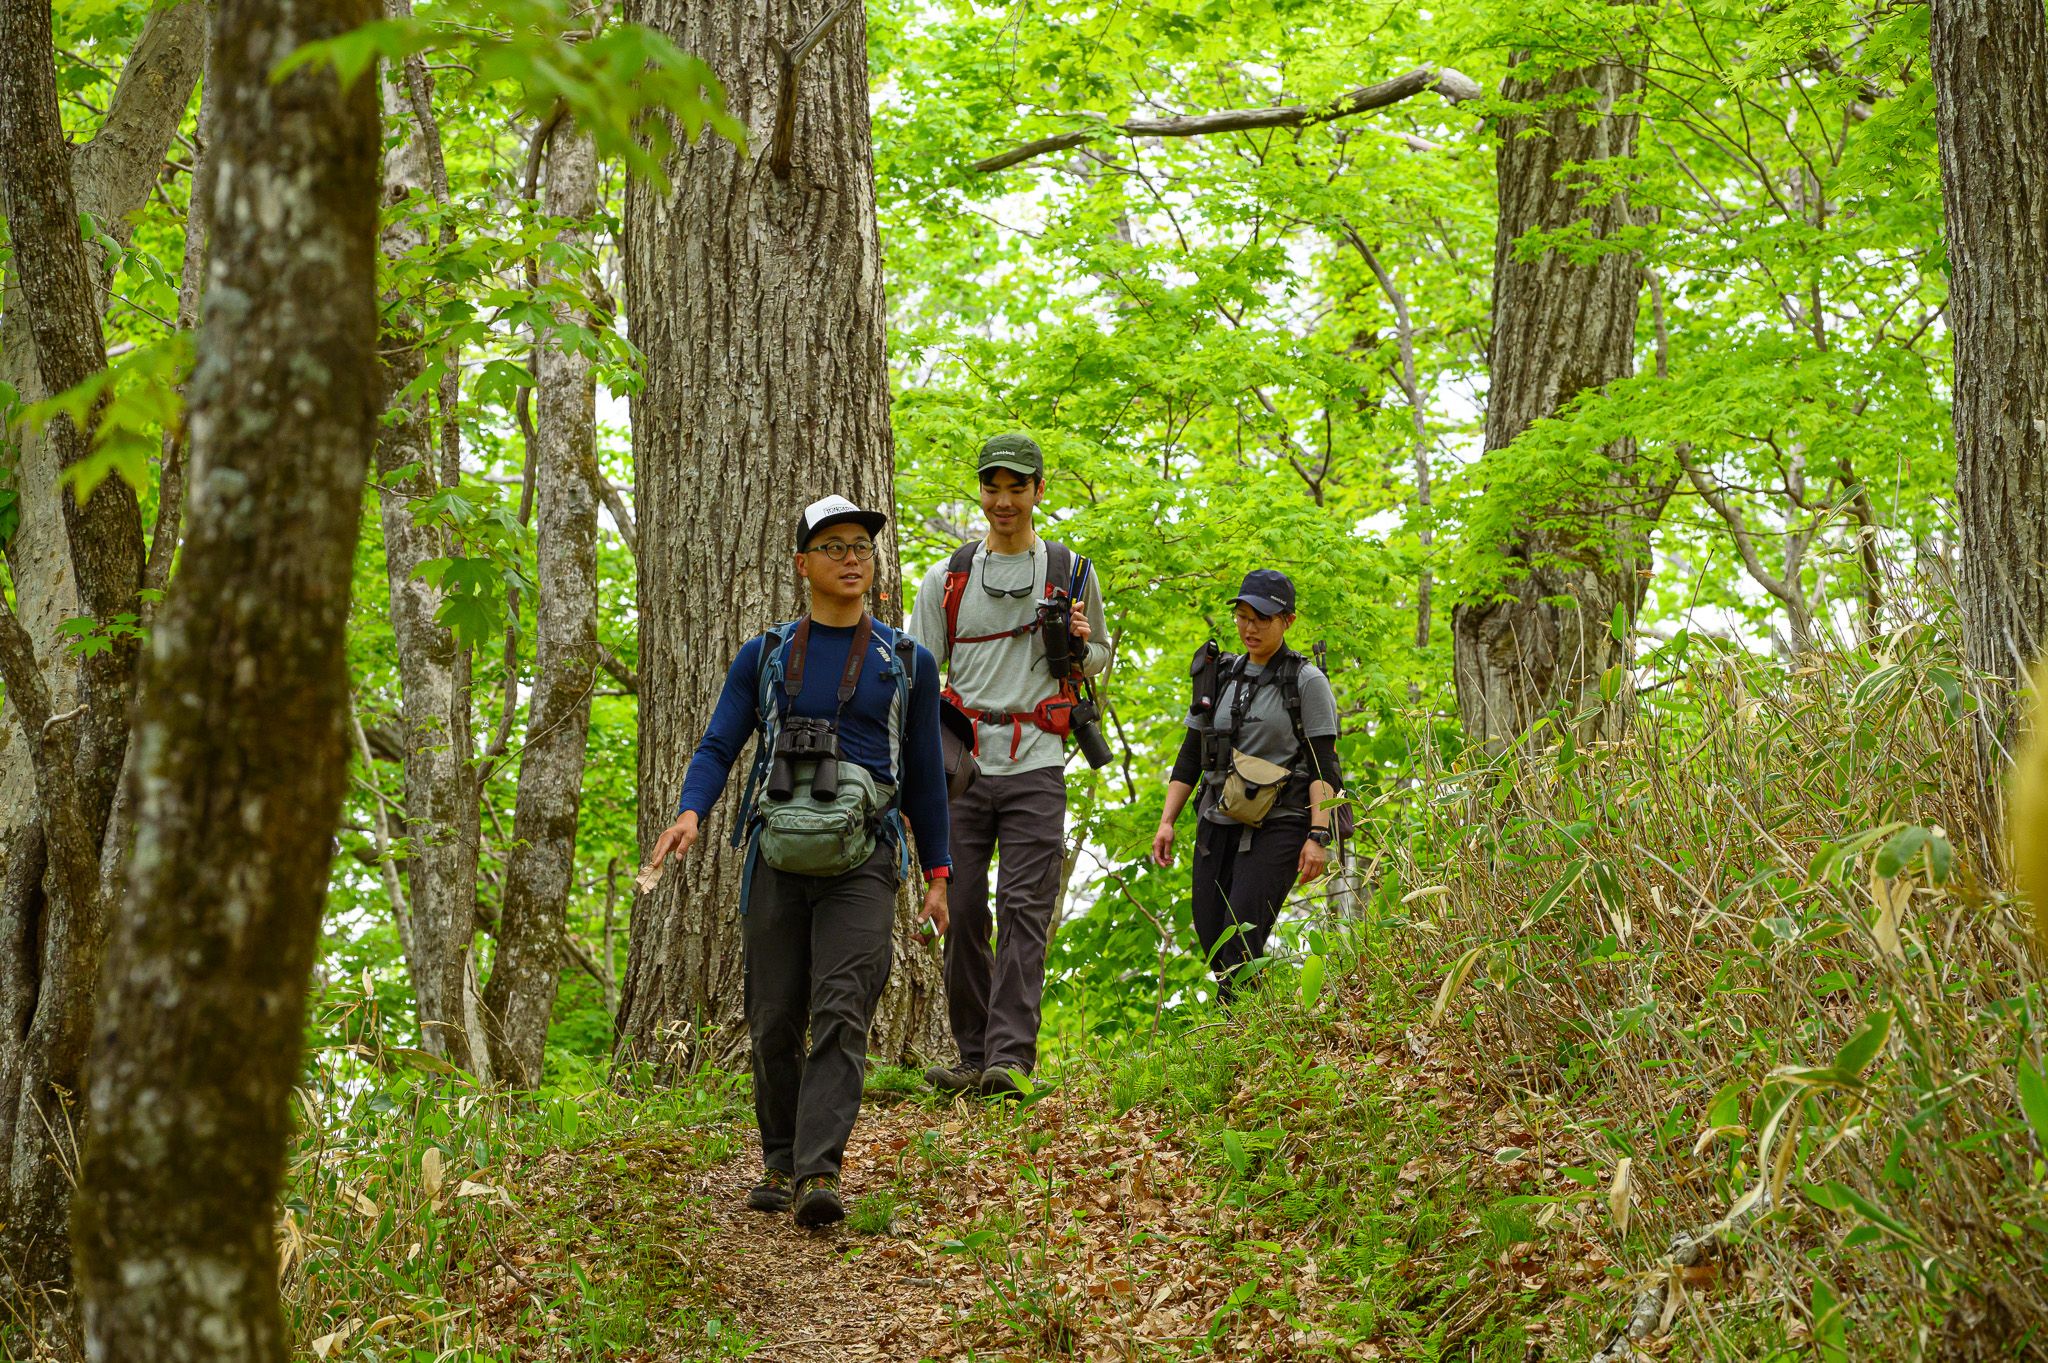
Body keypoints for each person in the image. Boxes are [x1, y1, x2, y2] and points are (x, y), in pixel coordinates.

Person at [647, 495, 951, 1229]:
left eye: (863, 547)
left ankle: (821, 1168)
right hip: (776, 855)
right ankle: (778, 1159)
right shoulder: (767, 655)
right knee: (775, 1016)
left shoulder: (906, 662)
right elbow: (720, 743)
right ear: (802, 564)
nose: (853, 557)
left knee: (843, 1007)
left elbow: (926, 777)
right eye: (835, 545)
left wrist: (938, 875)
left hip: (866, 858)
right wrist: (692, 809)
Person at [907, 434, 1109, 1098]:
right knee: (962, 907)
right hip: (961, 764)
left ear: (1038, 491)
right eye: (993, 487)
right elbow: (919, 676)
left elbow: (1100, 654)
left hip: (1039, 760)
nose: (1003, 501)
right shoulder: (947, 579)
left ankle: (1009, 1059)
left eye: (1017, 487)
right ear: (982, 492)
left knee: (1025, 906)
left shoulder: (1073, 572)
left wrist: (1081, 644)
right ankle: (972, 1052)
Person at [1150, 569, 1342, 1004]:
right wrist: (1167, 821)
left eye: (1263, 618)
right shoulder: (1219, 674)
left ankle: (1237, 1035)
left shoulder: (1306, 682)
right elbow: (1190, 753)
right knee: (1211, 927)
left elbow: (1323, 766)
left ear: (1287, 621)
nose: (1250, 627)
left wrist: (1318, 835)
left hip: (1280, 822)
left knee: (1243, 931)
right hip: (1217, 816)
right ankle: (1252, 1018)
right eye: (1242, 616)